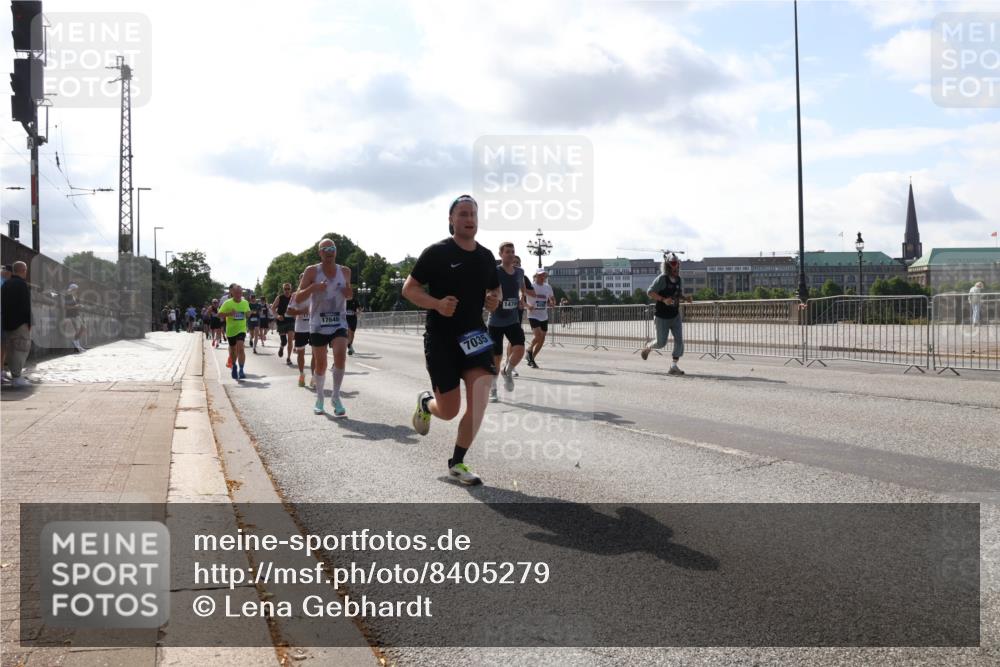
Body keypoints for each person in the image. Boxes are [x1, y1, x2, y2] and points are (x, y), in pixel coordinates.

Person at [404, 194, 500, 486]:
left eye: (473, 214)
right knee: (448, 410)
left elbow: (496, 291)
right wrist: (436, 304)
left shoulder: (485, 257)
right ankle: (426, 403)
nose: (469, 219)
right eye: (463, 214)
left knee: (479, 402)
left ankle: (457, 462)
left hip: (475, 337)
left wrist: (494, 300)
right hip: (442, 339)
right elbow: (409, 289)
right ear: (451, 219)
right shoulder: (436, 253)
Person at [294, 239, 352, 416]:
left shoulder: (345, 271)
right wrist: (313, 287)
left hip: (338, 322)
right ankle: (320, 398)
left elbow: (349, 294)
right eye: (325, 248)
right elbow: (297, 298)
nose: (329, 251)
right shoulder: (312, 271)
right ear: (320, 252)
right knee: (321, 364)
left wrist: (348, 293)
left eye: (332, 248)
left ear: (336, 252)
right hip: (318, 323)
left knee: (341, 356)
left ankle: (335, 396)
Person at [487, 242, 534, 402]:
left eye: (512, 251)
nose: (511, 254)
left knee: (520, 349)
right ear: (500, 254)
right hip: (495, 320)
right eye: (507, 252)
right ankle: (493, 389)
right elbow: (486, 289)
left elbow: (522, 288)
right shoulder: (495, 271)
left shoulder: (520, 272)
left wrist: (522, 298)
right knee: (496, 357)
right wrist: (491, 298)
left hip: (512, 319)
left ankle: (508, 371)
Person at [640, 253, 691, 375]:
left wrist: (685, 298)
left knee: (679, 341)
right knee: (661, 342)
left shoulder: (679, 279)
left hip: (675, 315)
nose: (676, 267)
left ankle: (673, 366)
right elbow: (650, 292)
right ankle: (648, 347)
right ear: (668, 266)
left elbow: (677, 295)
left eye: (678, 264)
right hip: (662, 316)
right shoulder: (662, 279)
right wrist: (663, 299)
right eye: (674, 264)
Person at [1, 262, 32, 387]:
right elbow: (26, 306)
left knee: (11, 350)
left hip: (7, 323)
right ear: (23, 270)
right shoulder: (21, 285)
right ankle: (17, 377)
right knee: (21, 349)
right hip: (20, 323)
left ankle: (15, 375)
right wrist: (29, 322)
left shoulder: (5, 284)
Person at [218, 283, 251, 380]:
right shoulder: (227, 303)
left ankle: (241, 369)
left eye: (240, 292)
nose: (238, 294)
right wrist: (229, 314)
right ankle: (234, 366)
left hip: (241, 329)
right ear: (232, 293)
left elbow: (248, 312)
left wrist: (248, 313)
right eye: (236, 292)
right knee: (232, 350)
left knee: (241, 348)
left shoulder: (245, 302)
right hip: (231, 330)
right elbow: (219, 314)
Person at [287, 275, 314, 387]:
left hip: (314, 327)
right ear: (300, 282)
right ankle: (302, 374)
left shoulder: (315, 294)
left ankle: (314, 377)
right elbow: (289, 311)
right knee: (300, 353)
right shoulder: (295, 295)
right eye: (303, 280)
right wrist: (301, 311)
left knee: (316, 354)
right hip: (301, 328)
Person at [525, 268, 555, 369]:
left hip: (544, 316)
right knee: (538, 336)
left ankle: (532, 358)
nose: (543, 277)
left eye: (544, 275)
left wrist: (552, 303)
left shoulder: (548, 287)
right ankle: (529, 349)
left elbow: (552, 298)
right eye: (540, 275)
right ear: (536, 276)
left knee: (542, 339)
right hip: (533, 315)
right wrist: (528, 306)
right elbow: (521, 299)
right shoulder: (531, 286)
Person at [272, 283, 295, 366]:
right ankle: (281, 347)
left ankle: (288, 358)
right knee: (284, 341)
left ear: (291, 289)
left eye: (288, 289)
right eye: (285, 289)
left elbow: (297, 307)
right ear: (283, 289)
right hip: (281, 321)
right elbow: (273, 308)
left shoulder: (293, 297)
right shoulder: (279, 298)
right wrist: (277, 316)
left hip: (291, 321)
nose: (287, 290)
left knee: (290, 341)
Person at [64, 284, 87, 352]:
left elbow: (76, 305)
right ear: (72, 289)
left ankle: (76, 343)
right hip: (71, 315)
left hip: (77, 314)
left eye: (76, 289)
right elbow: (66, 307)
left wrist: (80, 306)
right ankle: (77, 345)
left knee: (83, 328)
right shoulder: (68, 296)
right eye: (75, 289)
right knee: (77, 329)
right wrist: (76, 306)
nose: (76, 290)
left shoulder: (75, 297)